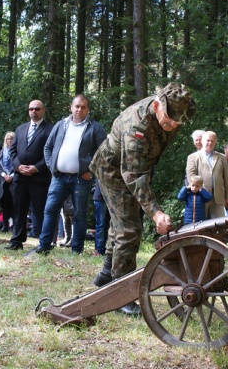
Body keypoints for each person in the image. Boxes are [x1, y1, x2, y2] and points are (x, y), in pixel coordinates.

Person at [90, 82, 196, 316]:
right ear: (157, 105)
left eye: (177, 123)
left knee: (123, 222)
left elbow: (145, 162)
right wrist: (156, 213)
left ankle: (107, 274)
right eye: (168, 121)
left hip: (139, 166)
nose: (172, 127)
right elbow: (133, 174)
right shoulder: (135, 125)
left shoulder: (176, 110)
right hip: (113, 168)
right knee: (128, 227)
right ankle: (120, 293)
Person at [28, 94, 106, 255]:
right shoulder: (61, 125)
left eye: (83, 107)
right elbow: (47, 148)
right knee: (50, 210)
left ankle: (76, 249)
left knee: (79, 214)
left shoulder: (95, 127)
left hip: (80, 179)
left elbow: (104, 154)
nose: (79, 109)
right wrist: (52, 168)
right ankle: (44, 246)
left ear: (88, 110)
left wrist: (90, 171)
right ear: (71, 107)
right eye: (77, 106)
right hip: (59, 177)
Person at [4, 100, 53, 251]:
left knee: (40, 211)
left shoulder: (50, 129)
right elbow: (12, 151)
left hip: (38, 178)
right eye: (31, 109)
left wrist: (36, 168)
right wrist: (18, 166)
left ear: (43, 110)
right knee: (19, 211)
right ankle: (16, 241)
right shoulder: (20, 129)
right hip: (20, 178)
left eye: (37, 109)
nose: (34, 111)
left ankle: (44, 243)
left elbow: (52, 153)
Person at [186, 130, 228, 219]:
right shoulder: (193, 157)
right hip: (200, 197)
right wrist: (201, 187)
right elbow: (190, 176)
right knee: (200, 226)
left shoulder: (221, 157)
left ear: (215, 142)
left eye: (212, 141)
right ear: (203, 141)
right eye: (208, 140)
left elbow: (227, 179)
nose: (210, 143)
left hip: (218, 199)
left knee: (219, 227)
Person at [0, 132, 15, 232]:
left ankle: (14, 225)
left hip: (14, 181)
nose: (9, 141)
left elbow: (18, 165)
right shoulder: (1, 152)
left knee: (14, 204)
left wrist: (11, 176)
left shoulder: (17, 152)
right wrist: (4, 175)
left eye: (11, 139)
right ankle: (4, 225)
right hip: (3, 181)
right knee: (4, 204)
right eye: (8, 139)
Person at [92, 179, 110, 255]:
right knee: (101, 224)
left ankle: (109, 249)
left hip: (113, 197)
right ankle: (99, 250)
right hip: (100, 196)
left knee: (110, 225)